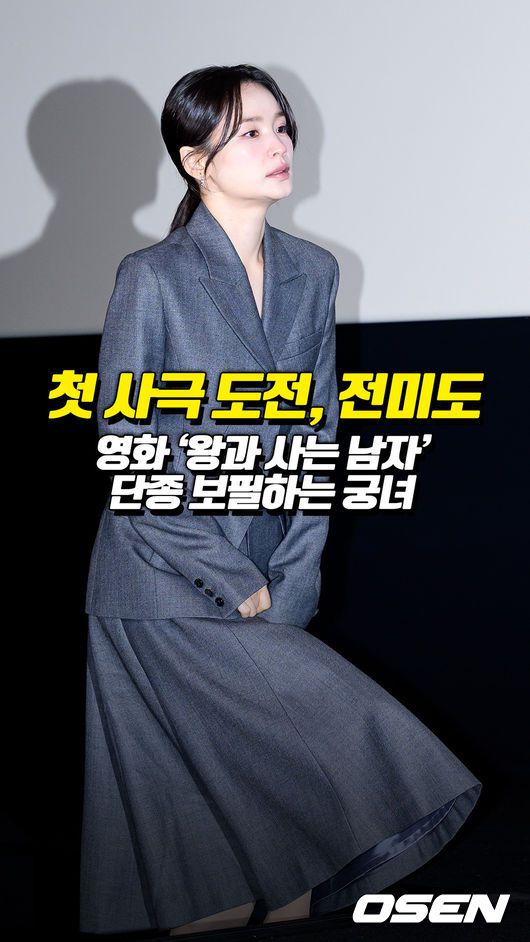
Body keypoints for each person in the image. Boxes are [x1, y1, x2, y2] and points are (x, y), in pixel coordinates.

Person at [79, 64, 482, 936]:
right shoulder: (153, 277)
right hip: (159, 588)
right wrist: (230, 574)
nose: (278, 143)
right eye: (249, 131)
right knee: (212, 881)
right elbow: (127, 449)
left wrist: (296, 572)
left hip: (266, 578)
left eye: (281, 125)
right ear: (194, 161)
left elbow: (317, 436)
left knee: (289, 855)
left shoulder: (313, 270)